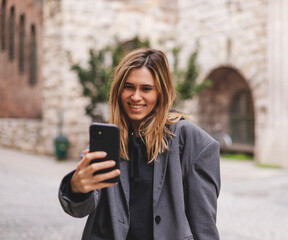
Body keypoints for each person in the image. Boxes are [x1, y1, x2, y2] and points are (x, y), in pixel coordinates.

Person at [58, 48, 221, 240]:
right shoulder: (107, 142)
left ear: (161, 92)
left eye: (146, 89)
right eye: (128, 87)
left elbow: (204, 226)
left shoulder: (193, 143)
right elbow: (79, 210)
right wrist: (77, 188)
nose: (135, 97)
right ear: (118, 91)